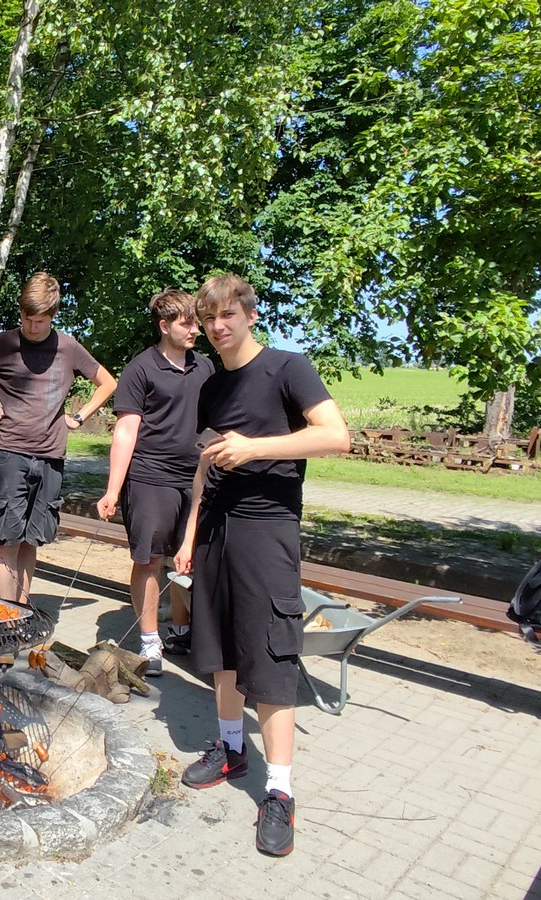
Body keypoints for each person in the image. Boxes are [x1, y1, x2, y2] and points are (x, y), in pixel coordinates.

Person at [174, 274, 350, 857]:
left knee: (270, 657)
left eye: (227, 315)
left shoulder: (287, 368)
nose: (217, 326)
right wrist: (190, 532)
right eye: (208, 319)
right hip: (215, 532)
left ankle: (279, 791)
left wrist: (254, 448)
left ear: (250, 314)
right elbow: (205, 465)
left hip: (268, 530)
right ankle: (231, 749)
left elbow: (336, 437)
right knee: (220, 649)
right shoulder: (212, 386)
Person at [0, 272, 116, 604]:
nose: (32, 327)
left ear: (53, 316)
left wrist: (80, 416)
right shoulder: (3, 343)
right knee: (7, 541)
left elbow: (108, 383)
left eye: (40, 321)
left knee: (31, 540)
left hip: (52, 457)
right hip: (11, 454)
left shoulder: (68, 347)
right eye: (27, 319)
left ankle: (21, 611)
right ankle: (8, 615)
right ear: (21, 312)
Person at [96, 288, 212, 676]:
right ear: (164, 326)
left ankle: (182, 630)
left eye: (196, 323)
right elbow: (126, 431)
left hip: (195, 478)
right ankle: (150, 641)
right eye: (187, 323)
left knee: (189, 558)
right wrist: (113, 490)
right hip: (150, 477)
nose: (195, 330)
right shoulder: (141, 368)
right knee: (150, 560)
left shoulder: (206, 367)